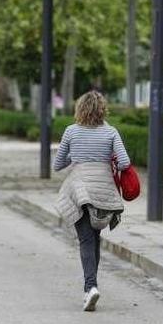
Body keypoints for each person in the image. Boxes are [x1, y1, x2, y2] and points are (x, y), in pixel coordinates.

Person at [54, 91, 130, 312]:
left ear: (80, 109)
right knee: (94, 237)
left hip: (79, 189)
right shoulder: (110, 132)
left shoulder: (71, 131)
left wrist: (76, 156)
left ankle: (90, 286)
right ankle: (91, 286)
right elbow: (124, 163)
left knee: (86, 239)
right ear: (102, 109)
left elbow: (58, 164)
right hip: (103, 190)